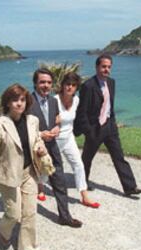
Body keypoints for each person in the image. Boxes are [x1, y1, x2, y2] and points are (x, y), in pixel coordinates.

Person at [0, 84, 46, 250]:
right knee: (13, 214)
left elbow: (37, 141)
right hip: (9, 175)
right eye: (15, 100)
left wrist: (40, 148)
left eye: (22, 99)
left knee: (30, 212)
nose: (19, 103)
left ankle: (26, 246)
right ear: (8, 102)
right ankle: (3, 232)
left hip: (29, 173)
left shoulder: (33, 120)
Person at [74, 54, 141, 196]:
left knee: (119, 156)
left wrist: (112, 122)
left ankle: (130, 187)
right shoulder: (88, 86)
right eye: (103, 66)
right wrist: (88, 131)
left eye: (109, 67)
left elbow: (109, 105)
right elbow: (82, 111)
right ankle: (83, 182)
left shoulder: (111, 83)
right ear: (97, 67)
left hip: (110, 127)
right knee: (87, 158)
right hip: (95, 128)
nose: (106, 69)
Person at [29, 68, 82, 228]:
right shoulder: (27, 101)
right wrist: (39, 134)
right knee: (27, 184)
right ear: (35, 83)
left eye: (49, 82)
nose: (46, 85)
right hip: (32, 151)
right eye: (42, 82)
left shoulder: (53, 101)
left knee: (59, 181)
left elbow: (57, 120)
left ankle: (64, 216)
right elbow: (20, 128)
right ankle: (21, 220)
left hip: (51, 148)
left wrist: (57, 128)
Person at [38, 72, 100, 208]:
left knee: (78, 165)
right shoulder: (53, 100)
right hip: (54, 140)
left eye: (73, 85)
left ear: (76, 87)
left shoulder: (76, 100)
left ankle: (84, 196)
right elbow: (45, 119)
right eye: (67, 84)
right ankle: (41, 186)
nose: (70, 88)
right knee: (47, 166)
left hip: (69, 138)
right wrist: (54, 123)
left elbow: (78, 118)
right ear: (63, 85)